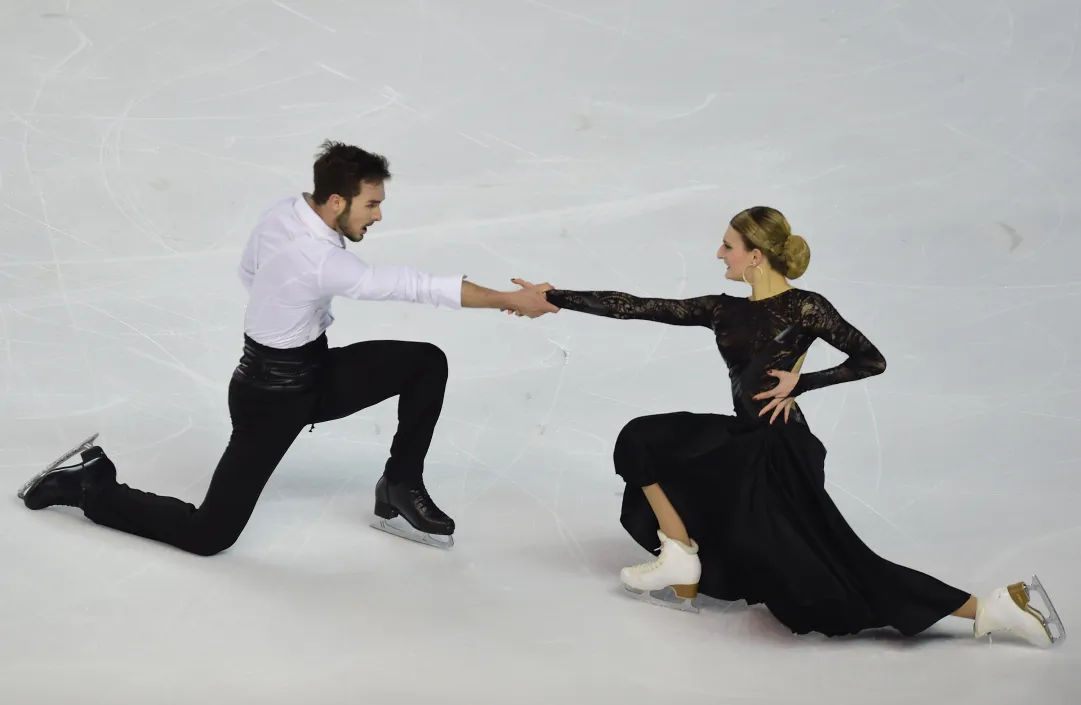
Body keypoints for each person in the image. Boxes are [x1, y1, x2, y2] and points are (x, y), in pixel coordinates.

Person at [514, 206, 1065, 647]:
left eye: (727, 246)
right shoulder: (721, 309)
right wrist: (555, 297)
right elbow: (636, 306)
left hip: (782, 450)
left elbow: (871, 360)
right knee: (643, 438)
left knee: (833, 571)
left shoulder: (806, 308)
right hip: (746, 440)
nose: (718, 254)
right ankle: (679, 554)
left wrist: (801, 384)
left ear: (755, 255)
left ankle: (995, 607)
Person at [18, 140, 557, 554]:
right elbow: (413, 285)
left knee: (423, 363)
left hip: (312, 370)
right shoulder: (323, 259)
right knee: (210, 533)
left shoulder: (286, 211)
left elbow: (248, 271)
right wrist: (510, 299)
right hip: (269, 397)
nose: (378, 215)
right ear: (338, 200)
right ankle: (91, 487)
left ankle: (399, 485)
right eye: (372, 205)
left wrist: (291, 310)